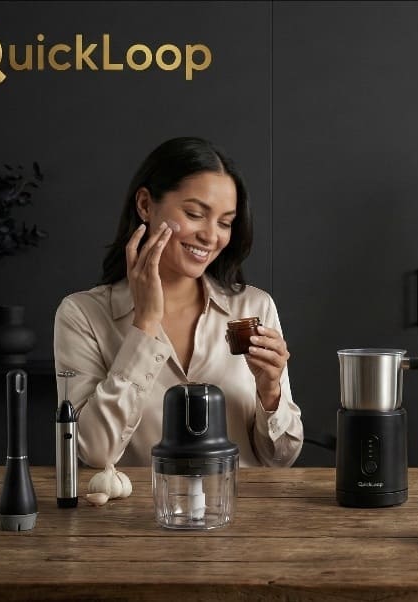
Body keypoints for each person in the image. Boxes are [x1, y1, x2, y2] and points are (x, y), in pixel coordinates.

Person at [54, 137, 303, 468]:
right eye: (195, 213)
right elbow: (91, 452)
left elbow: (282, 460)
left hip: (242, 515)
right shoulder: (82, 315)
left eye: (225, 222)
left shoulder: (254, 308)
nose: (211, 236)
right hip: (135, 517)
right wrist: (143, 326)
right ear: (145, 204)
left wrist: (270, 393)